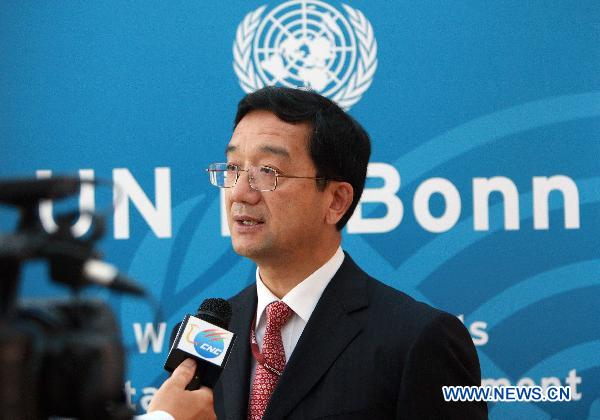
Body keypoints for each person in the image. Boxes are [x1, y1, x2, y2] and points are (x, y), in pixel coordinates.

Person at [147, 86, 488, 419]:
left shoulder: (418, 339)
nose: (239, 193)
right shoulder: (205, 336)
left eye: (268, 171)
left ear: (336, 201)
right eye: (233, 168)